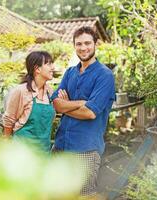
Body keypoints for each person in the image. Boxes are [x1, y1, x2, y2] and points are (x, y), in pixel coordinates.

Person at [51, 26, 116, 197]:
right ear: (74, 46)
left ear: (96, 44)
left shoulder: (104, 75)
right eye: (78, 44)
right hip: (60, 145)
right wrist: (79, 103)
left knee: (84, 196)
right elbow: (56, 104)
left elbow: (90, 113)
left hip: (85, 148)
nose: (83, 47)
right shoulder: (70, 73)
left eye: (87, 43)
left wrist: (67, 105)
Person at [2, 51, 55, 152]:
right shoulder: (21, 91)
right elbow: (9, 121)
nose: (53, 67)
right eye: (48, 64)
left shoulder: (50, 91)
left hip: (43, 151)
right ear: (37, 69)